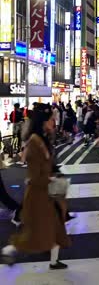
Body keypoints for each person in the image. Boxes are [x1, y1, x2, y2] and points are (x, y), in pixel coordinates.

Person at [1, 104, 70, 268]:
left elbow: (48, 166)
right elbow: (34, 177)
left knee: (54, 226)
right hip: (39, 195)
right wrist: (54, 181)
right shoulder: (34, 143)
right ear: (43, 122)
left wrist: (55, 176)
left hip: (47, 192)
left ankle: (53, 260)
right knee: (35, 232)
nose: (54, 122)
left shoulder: (43, 139)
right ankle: (9, 250)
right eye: (51, 120)